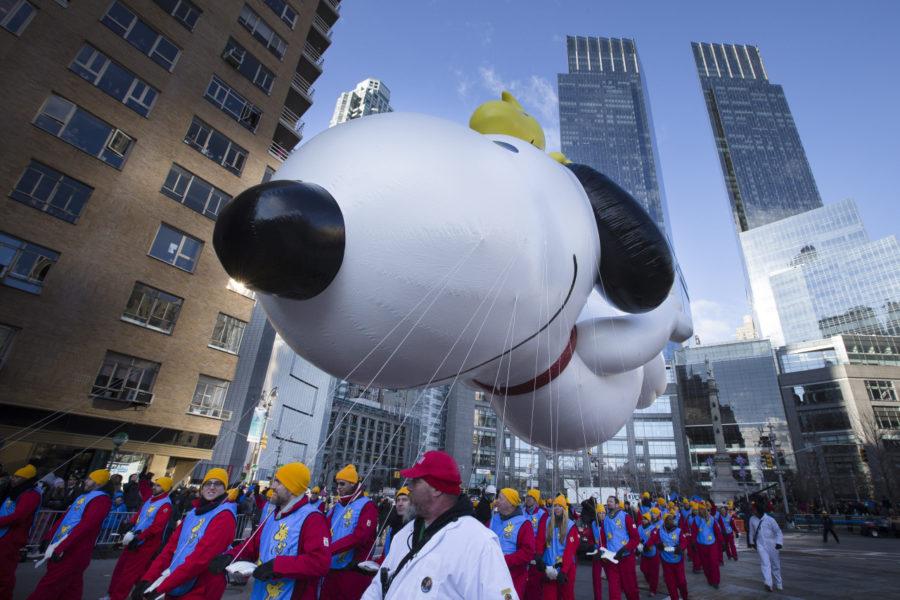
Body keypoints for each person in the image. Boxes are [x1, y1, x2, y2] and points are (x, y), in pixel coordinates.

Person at [360, 451, 516, 599]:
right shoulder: (405, 533)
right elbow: (377, 588)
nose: (409, 488)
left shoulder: (479, 543)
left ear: (435, 489)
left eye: (416, 481)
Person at [210, 462, 331, 600]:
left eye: (278, 482)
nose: (272, 486)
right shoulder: (274, 514)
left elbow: (320, 562)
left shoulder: (312, 518)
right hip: (261, 593)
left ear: (292, 488)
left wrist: (277, 566)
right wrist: (231, 556)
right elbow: (253, 545)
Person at [132, 468, 237, 599]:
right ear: (202, 487)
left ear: (225, 489)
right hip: (176, 580)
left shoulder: (224, 515)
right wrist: (148, 579)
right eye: (208, 483)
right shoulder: (193, 512)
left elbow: (201, 558)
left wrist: (163, 587)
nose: (212, 487)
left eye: (218, 484)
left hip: (201, 586)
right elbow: (170, 548)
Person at [28, 469, 113, 600]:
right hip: (65, 546)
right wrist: (48, 537)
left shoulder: (101, 500)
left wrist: (62, 547)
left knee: (49, 587)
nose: (86, 481)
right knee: (71, 588)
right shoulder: (83, 497)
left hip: (74, 550)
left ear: (98, 483)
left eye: (90, 479)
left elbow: (86, 526)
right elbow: (65, 519)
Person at [106, 476, 174, 600]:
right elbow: (139, 514)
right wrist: (130, 524)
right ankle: (118, 593)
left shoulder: (165, 505)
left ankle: (117, 597)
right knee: (121, 568)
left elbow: (157, 527)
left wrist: (139, 537)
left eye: (158, 486)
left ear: (165, 488)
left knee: (128, 573)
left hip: (145, 545)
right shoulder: (150, 500)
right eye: (154, 484)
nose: (154, 487)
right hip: (134, 539)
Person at [321, 464, 378, 600]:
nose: (338, 487)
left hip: (351, 571)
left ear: (353, 484)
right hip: (330, 570)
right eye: (337, 484)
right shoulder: (337, 506)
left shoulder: (367, 506)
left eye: (342, 484)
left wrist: (330, 549)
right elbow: (324, 530)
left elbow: (360, 537)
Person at [0, 464, 41, 600]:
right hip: (4, 534)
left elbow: (19, 516)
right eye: (14, 476)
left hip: (11, 537)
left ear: (25, 479)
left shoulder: (30, 495)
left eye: (18, 477)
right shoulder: (14, 491)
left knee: (4, 572)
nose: (13, 479)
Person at [489, 488, 534, 599]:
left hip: (512, 578)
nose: (497, 501)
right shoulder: (493, 519)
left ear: (510, 503)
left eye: (500, 498)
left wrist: (503, 560)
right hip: (491, 574)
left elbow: (527, 553)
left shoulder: (524, 523)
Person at [537, 495, 578, 600]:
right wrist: (538, 557)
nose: (557, 508)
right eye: (555, 506)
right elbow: (540, 541)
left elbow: (570, 551)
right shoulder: (547, 522)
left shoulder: (570, 526)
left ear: (564, 509)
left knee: (567, 596)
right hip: (549, 568)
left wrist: (563, 571)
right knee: (549, 596)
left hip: (566, 569)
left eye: (560, 506)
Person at [601, 496, 640, 600]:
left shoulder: (626, 517)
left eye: (611, 501)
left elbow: (635, 538)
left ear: (617, 504)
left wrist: (625, 549)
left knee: (630, 588)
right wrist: (603, 553)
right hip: (612, 560)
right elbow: (603, 540)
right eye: (607, 501)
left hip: (626, 558)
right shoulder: (605, 520)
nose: (608, 503)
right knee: (613, 589)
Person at [748, 504, 783, 592]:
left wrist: (779, 542)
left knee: (775, 564)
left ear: (760, 510)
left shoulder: (770, 520)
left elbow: (778, 531)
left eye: (755, 510)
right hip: (761, 545)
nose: (753, 512)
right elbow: (751, 532)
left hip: (772, 544)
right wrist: (752, 542)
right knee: (765, 563)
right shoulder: (752, 519)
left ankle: (779, 582)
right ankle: (768, 583)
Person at [523, 488, 549, 600]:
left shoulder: (542, 514)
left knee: (535, 582)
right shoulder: (521, 511)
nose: (528, 499)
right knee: (523, 580)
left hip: (535, 552)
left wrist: (538, 552)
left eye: (532, 497)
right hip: (522, 549)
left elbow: (541, 535)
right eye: (527, 497)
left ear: (536, 499)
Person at [657, 513, 689, 600]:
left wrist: (680, 548)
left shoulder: (678, 530)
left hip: (677, 559)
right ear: (665, 521)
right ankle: (674, 598)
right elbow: (655, 540)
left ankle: (685, 596)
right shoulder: (659, 531)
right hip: (665, 560)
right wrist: (659, 544)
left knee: (681, 581)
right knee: (670, 582)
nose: (670, 521)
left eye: (671, 519)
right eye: (668, 519)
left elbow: (684, 542)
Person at [690, 502, 722, 589]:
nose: (700, 510)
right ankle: (710, 580)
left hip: (712, 544)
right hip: (701, 545)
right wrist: (693, 543)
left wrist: (721, 542)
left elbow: (717, 531)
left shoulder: (711, 519)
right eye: (699, 509)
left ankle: (716, 581)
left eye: (702, 508)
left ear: (705, 509)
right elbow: (693, 532)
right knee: (705, 564)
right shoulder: (696, 520)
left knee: (714, 563)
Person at [380, 487, 410, 559]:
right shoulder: (392, 526)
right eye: (398, 500)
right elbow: (386, 554)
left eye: (404, 500)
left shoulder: (416, 527)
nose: (400, 504)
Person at [585, 502, 605, 600]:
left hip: (607, 554)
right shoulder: (593, 524)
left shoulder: (608, 523)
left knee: (611, 578)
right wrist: (593, 547)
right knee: (596, 579)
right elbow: (591, 539)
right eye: (599, 513)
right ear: (596, 514)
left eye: (603, 513)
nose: (601, 515)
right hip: (597, 554)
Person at [638, 510, 661, 596]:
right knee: (643, 569)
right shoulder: (639, 527)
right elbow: (637, 537)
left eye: (646, 519)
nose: (643, 520)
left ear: (649, 520)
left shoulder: (653, 528)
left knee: (654, 572)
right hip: (644, 553)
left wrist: (647, 545)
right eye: (643, 519)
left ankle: (653, 590)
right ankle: (650, 582)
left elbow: (653, 539)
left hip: (653, 553)